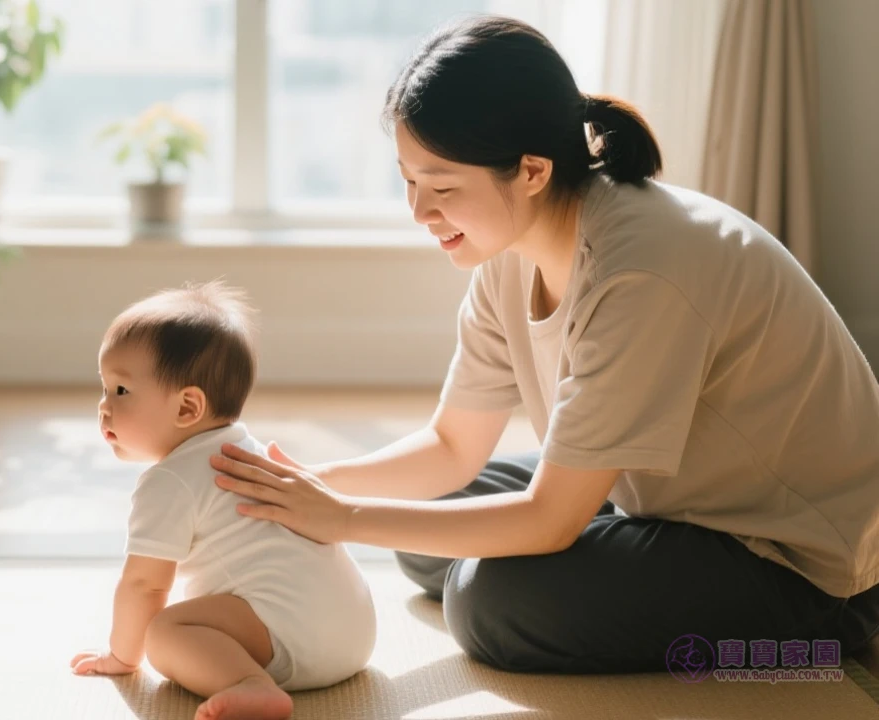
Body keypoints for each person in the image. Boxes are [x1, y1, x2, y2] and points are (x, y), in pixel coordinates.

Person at [210, 15, 879, 675]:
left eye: (442, 187)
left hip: (796, 558)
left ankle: (825, 636)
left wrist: (344, 518)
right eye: (409, 181)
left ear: (531, 170)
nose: (418, 211)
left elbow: (552, 520)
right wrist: (303, 488)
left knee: (486, 600)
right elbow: (452, 447)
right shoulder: (510, 246)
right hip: (654, 494)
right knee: (427, 528)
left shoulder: (640, 270)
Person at [70, 280, 376, 720]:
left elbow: (145, 584)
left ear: (187, 408)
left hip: (294, 643)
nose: (103, 406)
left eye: (121, 391)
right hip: (355, 634)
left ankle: (250, 683)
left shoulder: (170, 481)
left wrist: (123, 656)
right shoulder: (243, 451)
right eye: (104, 388)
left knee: (166, 631)